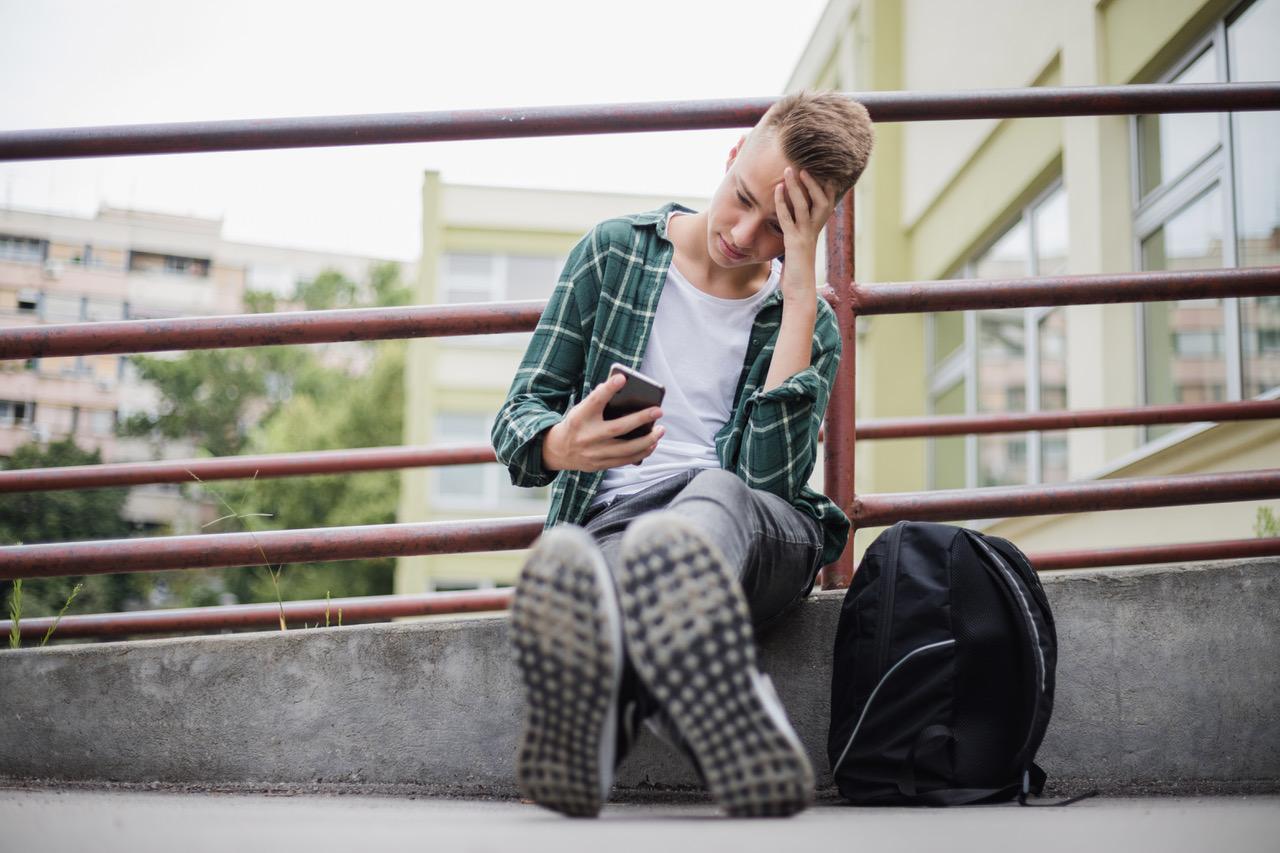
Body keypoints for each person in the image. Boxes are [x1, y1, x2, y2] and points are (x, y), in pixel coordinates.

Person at [491, 91, 874, 818]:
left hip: (756, 532)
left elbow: (768, 485)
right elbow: (517, 418)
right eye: (743, 198)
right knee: (611, 567)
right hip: (619, 523)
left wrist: (799, 295)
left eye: (778, 226)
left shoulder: (810, 325)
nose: (743, 233)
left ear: (812, 227)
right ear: (731, 156)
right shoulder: (614, 254)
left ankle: (607, 706)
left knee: (715, 496)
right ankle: (661, 710)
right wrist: (560, 444)